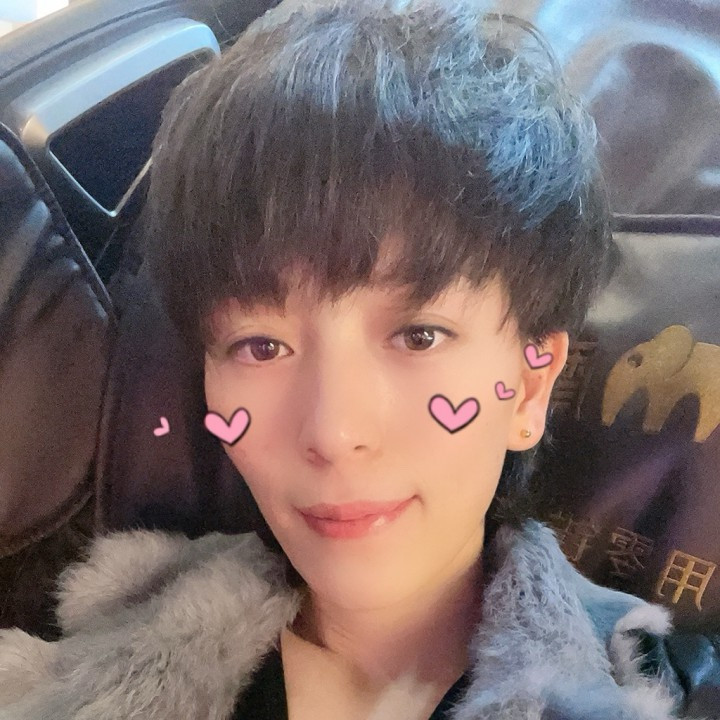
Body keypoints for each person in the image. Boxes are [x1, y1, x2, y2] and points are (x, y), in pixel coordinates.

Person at [0, 1, 708, 719]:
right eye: (261, 346)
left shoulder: (660, 689)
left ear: (528, 387)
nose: (334, 433)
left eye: (419, 336)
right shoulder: (63, 678)